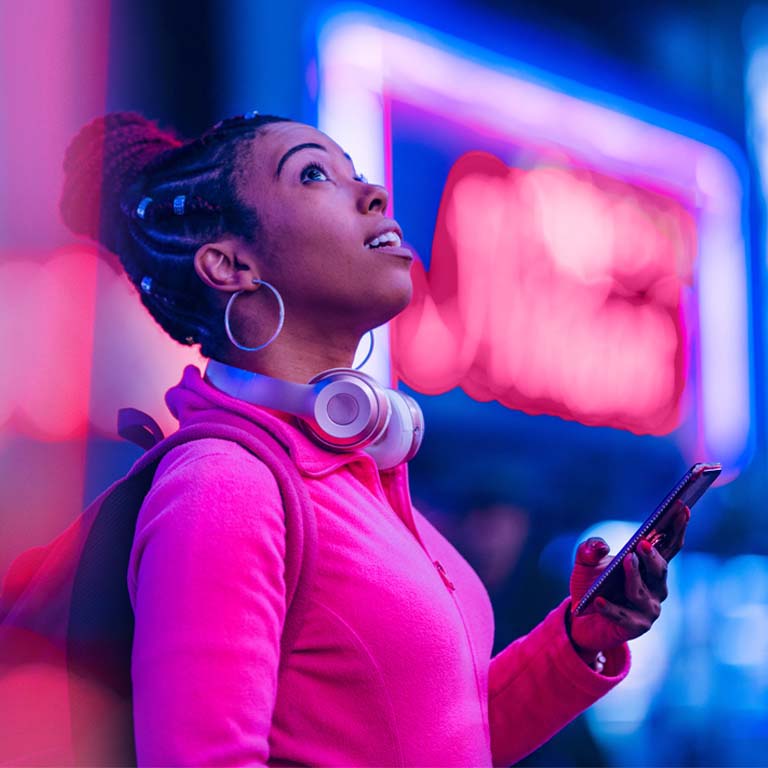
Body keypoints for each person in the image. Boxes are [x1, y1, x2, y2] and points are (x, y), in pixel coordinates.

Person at [59, 111, 690, 767]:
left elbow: (441, 743)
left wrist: (578, 637)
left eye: (356, 174)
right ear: (230, 264)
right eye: (312, 174)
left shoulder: (356, 474)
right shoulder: (226, 484)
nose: (374, 194)